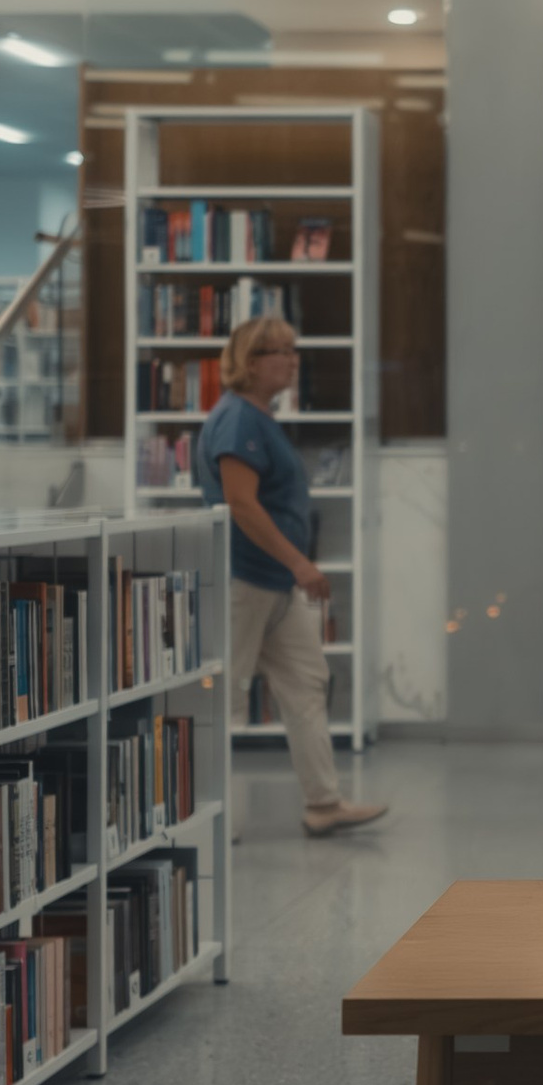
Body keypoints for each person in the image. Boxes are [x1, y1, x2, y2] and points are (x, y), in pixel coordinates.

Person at [195, 315, 385, 837]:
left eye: (294, 349)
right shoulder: (236, 420)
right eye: (280, 351)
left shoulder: (259, 417)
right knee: (226, 698)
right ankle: (213, 818)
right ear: (251, 362)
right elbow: (241, 504)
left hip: (275, 584)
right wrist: (299, 562)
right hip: (244, 579)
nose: (292, 359)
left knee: (306, 683)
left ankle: (323, 804)